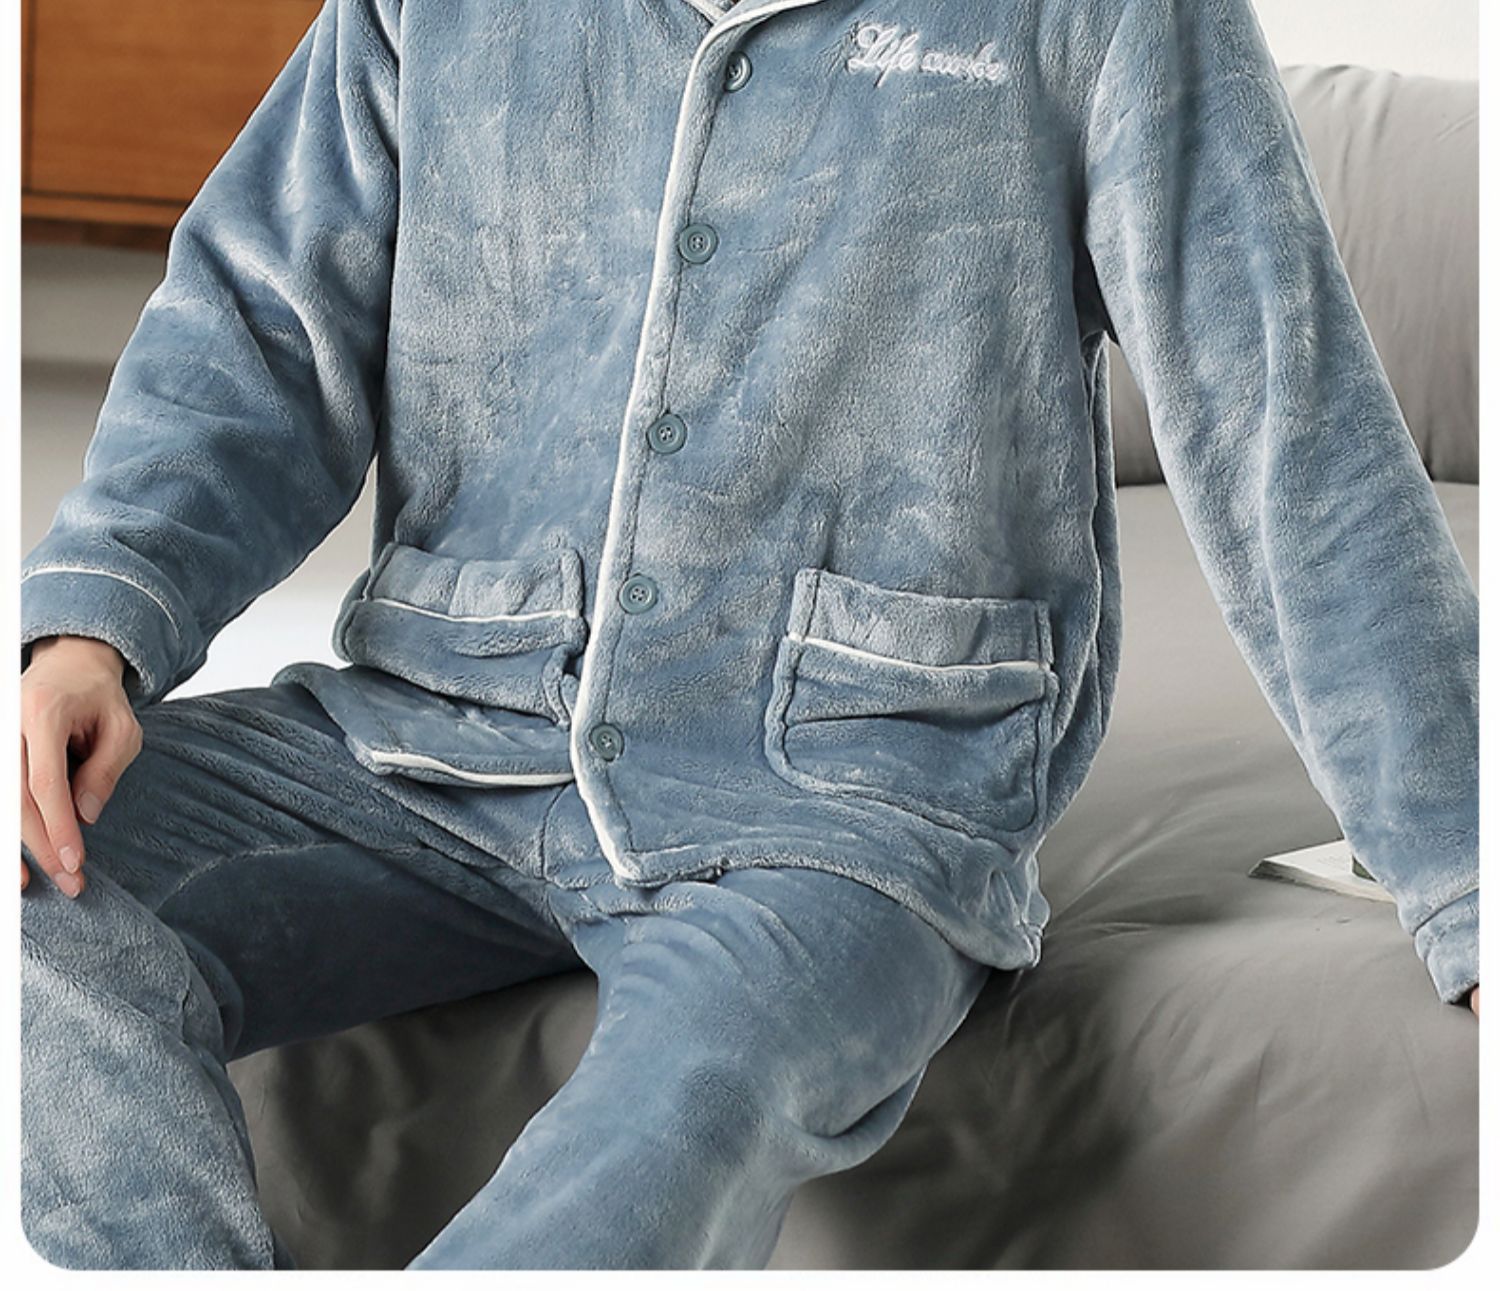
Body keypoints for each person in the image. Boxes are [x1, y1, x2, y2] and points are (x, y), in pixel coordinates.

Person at [17, 0, 1479, 1271]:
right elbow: (263, 329)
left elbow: (1287, 432)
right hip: (434, 728)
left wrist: (1467, 875)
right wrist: (94, 622)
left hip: (848, 803)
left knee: (681, 1112)